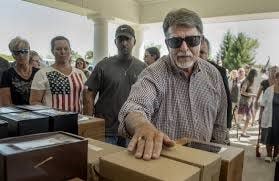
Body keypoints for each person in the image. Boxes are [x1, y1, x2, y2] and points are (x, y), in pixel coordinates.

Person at [118, 8, 227, 160]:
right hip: (166, 167)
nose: (184, 48)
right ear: (167, 43)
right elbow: (134, 107)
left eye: (192, 40)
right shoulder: (154, 74)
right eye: (176, 41)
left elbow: (219, 127)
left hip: (205, 163)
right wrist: (142, 126)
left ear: (201, 40)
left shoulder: (213, 75)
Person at [83, 24, 147, 146]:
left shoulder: (143, 68)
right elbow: (89, 93)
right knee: (102, 162)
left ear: (134, 41)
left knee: (127, 164)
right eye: (120, 39)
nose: (124, 43)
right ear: (115, 42)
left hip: (131, 129)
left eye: (127, 39)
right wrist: (89, 122)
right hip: (106, 129)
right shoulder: (103, 65)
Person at [30, 36, 87, 113]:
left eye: (66, 48)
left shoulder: (80, 74)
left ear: (70, 50)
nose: (63, 52)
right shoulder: (42, 74)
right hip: (53, 123)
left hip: (78, 121)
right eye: (58, 49)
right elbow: (34, 102)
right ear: (52, 51)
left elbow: (86, 100)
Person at [200, 37, 232, 132]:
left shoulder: (218, 71)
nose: (198, 55)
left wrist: (226, 126)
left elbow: (226, 101)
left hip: (212, 123)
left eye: (202, 52)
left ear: (207, 54)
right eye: (196, 51)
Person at [0, 37, 38, 106]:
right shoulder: (7, 74)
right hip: (16, 114)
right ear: (13, 55)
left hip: (40, 113)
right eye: (17, 52)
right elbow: (6, 103)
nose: (21, 55)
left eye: (24, 51)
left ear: (29, 51)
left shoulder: (38, 73)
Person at [260, 71, 279, 162]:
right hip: (270, 117)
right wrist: (260, 116)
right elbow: (262, 104)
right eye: (278, 78)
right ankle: (268, 155)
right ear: (276, 79)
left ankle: (276, 155)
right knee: (269, 135)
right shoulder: (269, 90)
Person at [238, 69, 258, 137]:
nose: (256, 78)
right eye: (255, 76)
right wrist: (252, 95)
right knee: (248, 117)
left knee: (247, 117)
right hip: (245, 102)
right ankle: (243, 132)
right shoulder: (247, 81)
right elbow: (242, 92)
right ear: (253, 75)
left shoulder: (251, 81)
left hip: (249, 102)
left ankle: (243, 131)